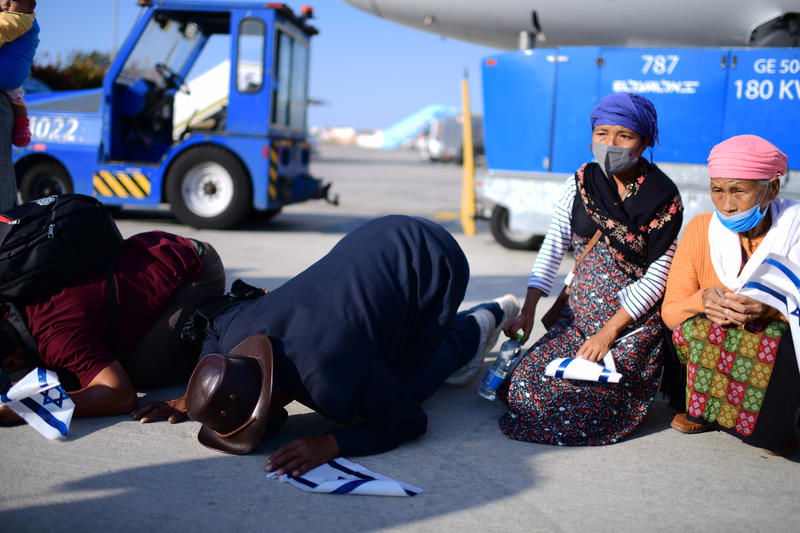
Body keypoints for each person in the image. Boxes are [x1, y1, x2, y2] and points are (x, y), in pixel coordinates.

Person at [132, 215, 520, 476]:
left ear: (270, 400)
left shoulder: (329, 382)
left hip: (436, 257)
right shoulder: (239, 336)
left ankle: (483, 320)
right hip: (376, 234)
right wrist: (199, 392)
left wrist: (333, 443)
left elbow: (407, 422)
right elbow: (213, 329)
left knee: (411, 383)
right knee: (379, 355)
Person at [498, 93, 683, 446]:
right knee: (523, 388)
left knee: (585, 400)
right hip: (577, 318)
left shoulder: (663, 197)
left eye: (624, 136)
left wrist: (608, 333)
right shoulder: (580, 183)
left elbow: (658, 274)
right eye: (602, 133)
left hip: (630, 325)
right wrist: (528, 311)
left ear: (644, 142)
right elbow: (552, 248)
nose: (610, 144)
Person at [662, 134, 799, 455]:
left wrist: (770, 308)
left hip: (776, 353)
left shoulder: (794, 229)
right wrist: (704, 301)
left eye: (739, 190)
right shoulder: (700, 230)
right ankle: (705, 411)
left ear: (772, 190)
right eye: (717, 190)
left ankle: (772, 420)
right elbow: (670, 314)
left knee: (777, 336)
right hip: (716, 341)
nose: (727, 204)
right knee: (696, 327)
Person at [0, 231, 225, 425]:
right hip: (153, 247)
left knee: (139, 372)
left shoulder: (57, 338)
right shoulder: (11, 304)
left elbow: (120, 395)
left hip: (195, 267)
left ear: (13, 361)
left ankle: (234, 311)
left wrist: (30, 407)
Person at [0, 0, 39, 147]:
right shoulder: (30, 22)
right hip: (15, 78)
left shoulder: (14, 18)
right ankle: (22, 127)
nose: (7, 5)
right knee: (16, 98)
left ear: (30, 6)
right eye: (5, 0)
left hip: (3, 71)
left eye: (13, 2)